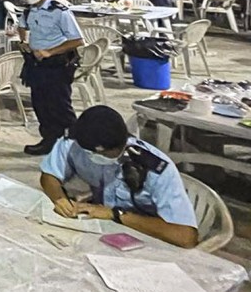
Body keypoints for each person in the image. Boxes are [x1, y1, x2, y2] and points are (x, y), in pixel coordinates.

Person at [39, 105, 198, 248]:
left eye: (103, 153)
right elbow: (49, 175)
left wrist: (116, 214)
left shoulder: (156, 169)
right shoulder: (78, 142)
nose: (93, 156)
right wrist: (59, 199)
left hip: (147, 236)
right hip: (104, 234)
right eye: (89, 152)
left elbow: (185, 236)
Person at [18, 0, 83, 156]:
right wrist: (23, 41)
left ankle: (73, 146)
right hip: (36, 64)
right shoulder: (29, 10)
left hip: (57, 64)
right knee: (40, 105)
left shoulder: (60, 11)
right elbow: (22, 26)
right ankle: (49, 140)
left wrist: (49, 51)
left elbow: (77, 40)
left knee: (60, 106)